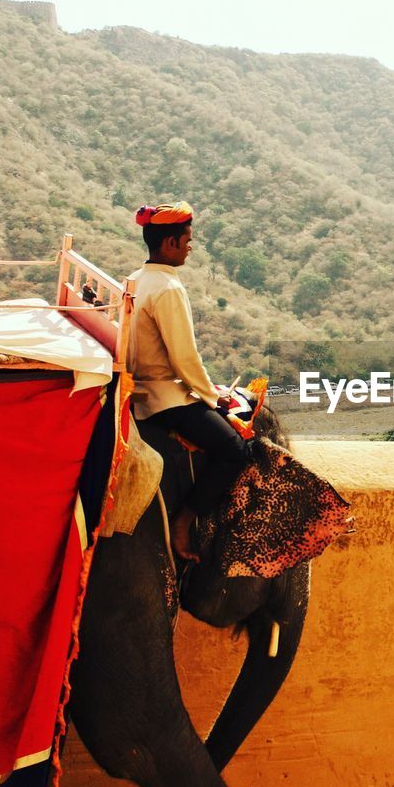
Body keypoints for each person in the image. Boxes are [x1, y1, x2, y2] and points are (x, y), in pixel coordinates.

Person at [127, 201, 253, 563]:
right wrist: (214, 398)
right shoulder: (168, 289)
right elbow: (184, 359)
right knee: (234, 451)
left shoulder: (135, 279)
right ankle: (185, 520)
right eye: (187, 240)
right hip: (164, 396)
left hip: (138, 388)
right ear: (169, 244)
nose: (190, 247)